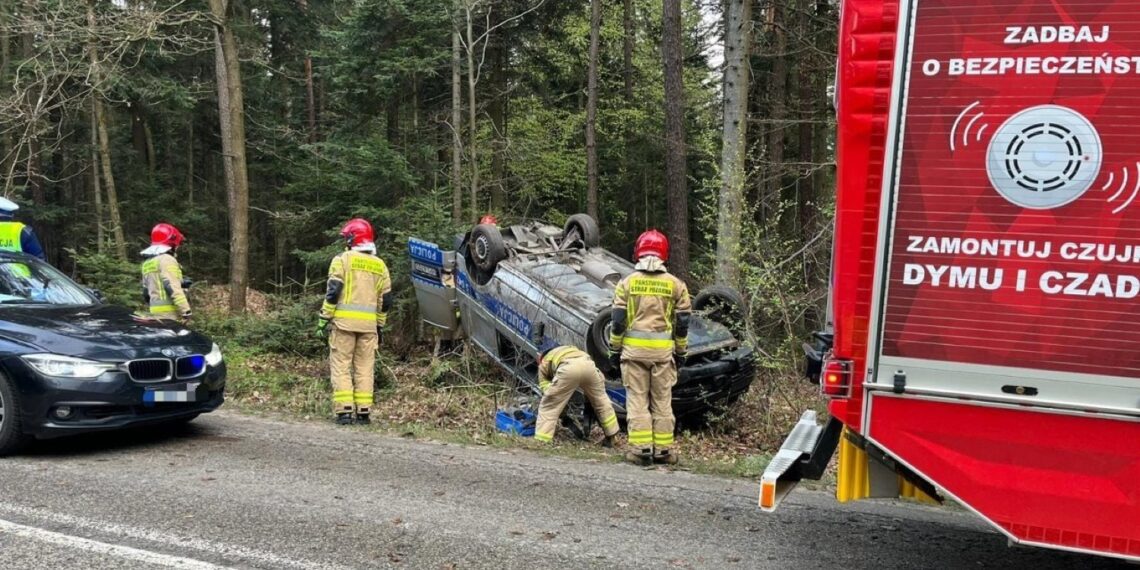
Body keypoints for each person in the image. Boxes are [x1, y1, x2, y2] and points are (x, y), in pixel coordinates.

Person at [609, 229, 691, 466]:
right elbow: (682, 324)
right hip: (663, 355)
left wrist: (614, 350)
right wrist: (681, 352)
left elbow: (617, 321)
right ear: (665, 254)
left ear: (638, 252)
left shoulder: (627, 284)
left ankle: (641, 449)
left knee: (637, 401)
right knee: (662, 402)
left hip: (633, 354)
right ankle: (664, 451)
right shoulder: (676, 285)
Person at [317, 218, 392, 426]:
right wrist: (380, 325)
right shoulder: (380, 265)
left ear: (353, 239)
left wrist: (324, 318)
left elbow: (333, 292)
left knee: (341, 365)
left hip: (343, 325)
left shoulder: (342, 260)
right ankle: (364, 412)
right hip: (369, 328)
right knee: (365, 368)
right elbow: (385, 301)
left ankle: (344, 411)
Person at [533, 344, 620, 446]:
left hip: (568, 368)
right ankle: (613, 436)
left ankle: (542, 440)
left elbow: (548, 392)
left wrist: (560, 404)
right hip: (589, 366)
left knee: (549, 405)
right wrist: (590, 399)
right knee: (602, 402)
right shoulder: (571, 350)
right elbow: (600, 378)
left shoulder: (544, 361)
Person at [140, 223, 192, 324]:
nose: (178, 247)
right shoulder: (167, 259)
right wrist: (186, 311)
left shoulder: (147, 263)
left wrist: (181, 282)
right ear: (172, 243)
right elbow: (171, 286)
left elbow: (146, 292)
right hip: (170, 314)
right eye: (177, 244)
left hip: (155, 313)